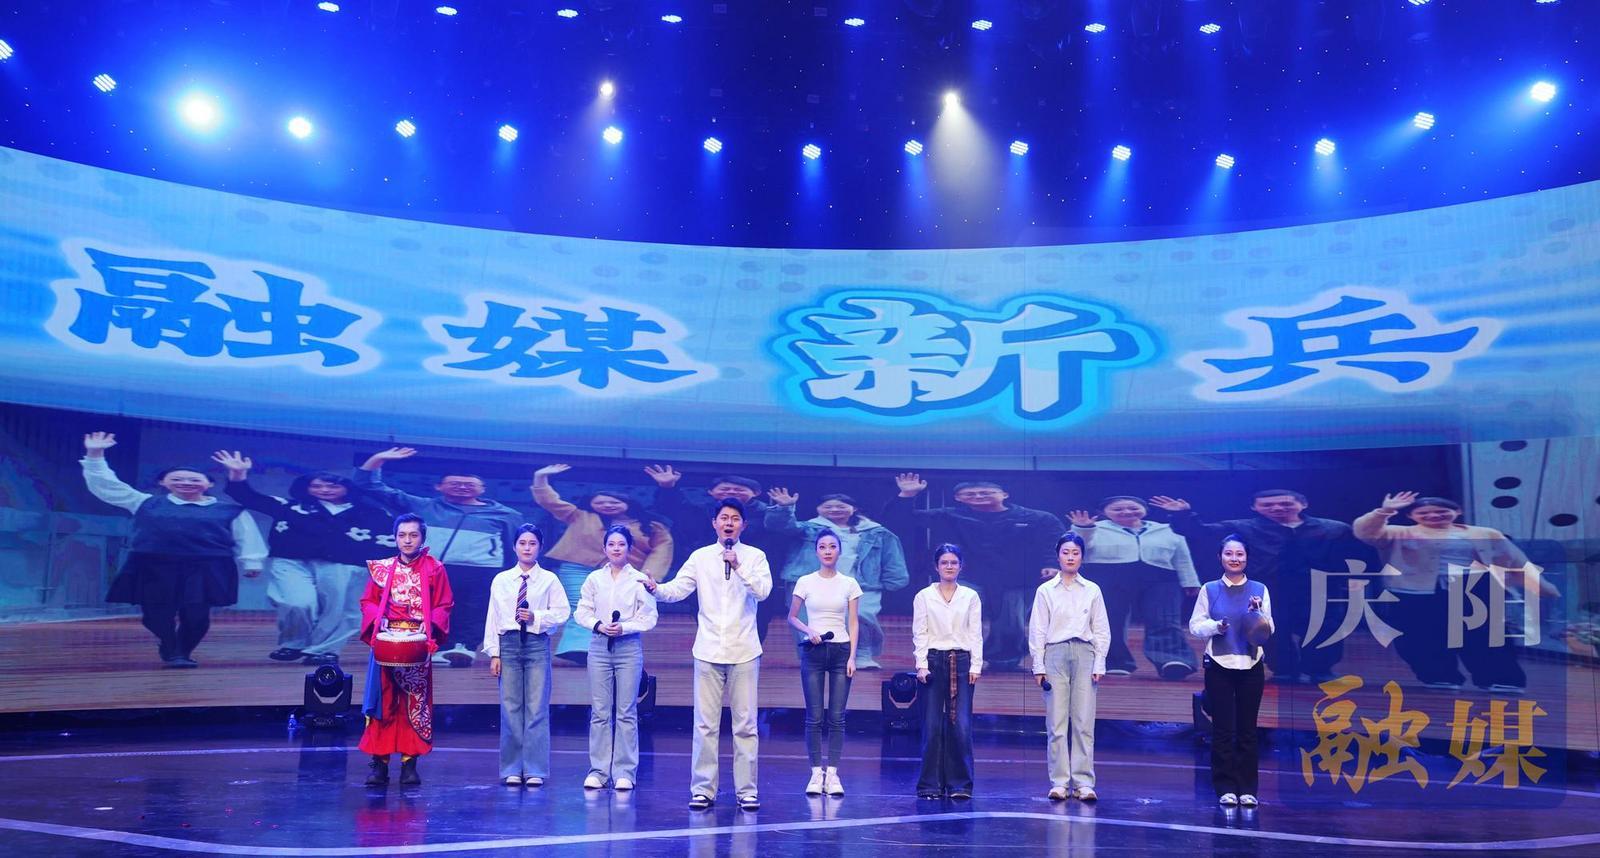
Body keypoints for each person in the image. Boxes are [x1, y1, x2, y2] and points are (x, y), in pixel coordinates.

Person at [80, 432, 266, 668]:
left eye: (194, 479)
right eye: (177, 479)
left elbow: (247, 536)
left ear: (209, 484)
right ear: (163, 482)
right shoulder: (144, 502)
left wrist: (252, 562)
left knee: (197, 614)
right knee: (155, 614)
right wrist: (95, 454)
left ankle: (182, 653)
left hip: (207, 566)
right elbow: (106, 485)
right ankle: (168, 644)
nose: (186, 482)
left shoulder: (230, 510)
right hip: (153, 565)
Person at [1151, 489, 1374, 684]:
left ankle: (1320, 670)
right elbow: (1200, 532)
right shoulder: (1242, 527)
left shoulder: (1334, 528)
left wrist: (1355, 579)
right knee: (1272, 630)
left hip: (1320, 588)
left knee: (1325, 627)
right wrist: (1183, 514)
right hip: (1269, 587)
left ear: (1303, 504)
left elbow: (1354, 554)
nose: (1277, 508)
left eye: (1285, 504)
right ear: (1254, 507)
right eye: (1267, 505)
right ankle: (1283, 671)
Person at [642, 499, 772, 811]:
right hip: (708, 649)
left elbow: (763, 592)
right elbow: (678, 590)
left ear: (743, 525)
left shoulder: (755, 556)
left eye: (735, 518)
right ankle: (703, 790)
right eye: (724, 518)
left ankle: (747, 791)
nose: (729, 523)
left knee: (745, 725)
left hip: (744, 650)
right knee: (705, 725)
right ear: (714, 523)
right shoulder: (700, 557)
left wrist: (738, 566)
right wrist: (655, 589)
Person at [1353, 492, 1553, 693]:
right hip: (1413, 590)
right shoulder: (1398, 532)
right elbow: (1364, 532)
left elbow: (1514, 559)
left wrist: (1539, 585)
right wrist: (1385, 510)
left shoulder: (1484, 533)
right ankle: (1439, 676)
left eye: (1441, 511)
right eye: (1424, 513)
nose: (1433, 516)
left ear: (1457, 512)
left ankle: (1500, 678)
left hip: (1474, 586)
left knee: (1485, 634)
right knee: (1420, 636)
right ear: (1411, 516)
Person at [211, 451, 395, 666]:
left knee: (339, 609)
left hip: (345, 564)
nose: (324, 490)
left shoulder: (372, 513)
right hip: (291, 562)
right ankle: (294, 643)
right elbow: (249, 497)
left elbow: (390, 541)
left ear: (348, 488)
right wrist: (237, 473)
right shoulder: (288, 506)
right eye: (316, 486)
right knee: (296, 603)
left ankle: (325, 650)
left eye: (332, 486)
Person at [355, 447, 523, 668]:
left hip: (483, 570)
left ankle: (463, 647)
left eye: (469, 484)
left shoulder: (507, 515)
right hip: (432, 567)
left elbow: (515, 546)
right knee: (430, 608)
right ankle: (437, 648)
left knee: (475, 610)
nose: (462, 487)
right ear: (439, 486)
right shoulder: (423, 506)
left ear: (482, 488)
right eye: (454, 483)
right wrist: (378, 458)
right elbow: (370, 486)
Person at [887, 474, 1063, 671]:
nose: (978, 496)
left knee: (1010, 624)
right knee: (956, 613)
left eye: (985, 492)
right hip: (968, 577)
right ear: (958, 498)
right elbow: (900, 521)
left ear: (1004, 494)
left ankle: (1003, 662)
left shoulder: (1037, 518)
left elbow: (1054, 541)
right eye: (970, 494)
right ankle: (953, 657)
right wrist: (907, 495)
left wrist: (1051, 564)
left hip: (1016, 579)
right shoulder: (947, 516)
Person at [531, 464, 672, 665]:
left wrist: (650, 576)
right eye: (599, 502)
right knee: (580, 604)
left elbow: (662, 550)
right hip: (577, 566)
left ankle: (608, 649)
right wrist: (540, 477)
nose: (607, 505)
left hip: (624, 572)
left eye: (613, 502)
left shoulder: (651, 526)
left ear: (627, 503)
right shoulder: (580, 515)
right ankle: (578, 648)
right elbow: (550, 501)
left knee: (616, 608)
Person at [643, 464, 794, 643]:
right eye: (725, 489)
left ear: (755, 493)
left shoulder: (768, 514)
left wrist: (784, 508)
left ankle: (751, 656)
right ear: (711, 492)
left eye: (739, 489)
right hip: (709, 579)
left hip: (751, 578)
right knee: (709, 625)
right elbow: (677, 512)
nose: (731, 492)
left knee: (756, 626)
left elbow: (783, 526)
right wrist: (668, 489)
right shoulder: (702, 512)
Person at [360, 513, 454, 787]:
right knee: (383, 703)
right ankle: (379, 764)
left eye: (413, 535)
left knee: (414, 704)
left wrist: (429, 627)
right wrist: (378, 620)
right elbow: (368, 601)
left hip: (417, 643)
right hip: (386, 642)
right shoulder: (382, 568)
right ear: (395, 538)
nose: (407, 540)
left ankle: (409, 764)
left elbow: (444, 604)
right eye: (402, 535)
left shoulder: (435, 569)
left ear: (422, 538)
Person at [766, 489, 908, 670]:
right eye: (828, 507)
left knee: (862, 616)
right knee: (807, 619)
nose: (834, 509)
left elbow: (891, 554)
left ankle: (861, 653)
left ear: (854, 509)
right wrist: (785, 508)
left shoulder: (876, 531)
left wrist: (895, 578)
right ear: (818, 510)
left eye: (840, 506)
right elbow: (780, 526)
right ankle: (812, 655)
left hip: (861, 583)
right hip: (813, 581)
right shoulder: (808, 528)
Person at [1061, 497, 1198, 680]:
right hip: (1108, 576)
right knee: (1110, 620)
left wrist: (1190, 581)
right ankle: (1114, 661)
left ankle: (1173, 660)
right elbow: (1076, 550)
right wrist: (1082, 528)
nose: (1126, 512)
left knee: (1164, 618)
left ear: (1144, 510)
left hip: (1160, 577)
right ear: (1104, 513)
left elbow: (1182, 557)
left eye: (1133, 508)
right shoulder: (1093, 528)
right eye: (1118, 509)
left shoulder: (1166, 529)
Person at [1189, 535, 1273, 808]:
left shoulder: (1259, 589)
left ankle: (1248, 789)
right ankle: (1225, 788)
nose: (1234, 559)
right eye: (1229, 554)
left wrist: (1257, 615)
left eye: (1239, 554)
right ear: (1220, 557)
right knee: (1223, 729)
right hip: (1219, 664)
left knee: (1248, 729)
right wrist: (1216, 626)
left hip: (1251, 665)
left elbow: (1270, 628)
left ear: (1246, 558)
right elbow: (1195, 625)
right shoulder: (1210, 589)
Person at [573, 525, 659, 791]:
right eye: (611, 544)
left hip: (628, 646)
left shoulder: (639, 580)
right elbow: (581, 612)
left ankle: (625, 772)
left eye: (621, 544)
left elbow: (649, 617)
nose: (616, 549)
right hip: (599, 646)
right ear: (604, 548)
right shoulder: (594, 579)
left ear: (629, 549)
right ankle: (598, 771)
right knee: (600, 711)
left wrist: (625, 627)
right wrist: (598, 625)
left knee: (626, 711)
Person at [483, 524, 569, 787]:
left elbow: (563, 612)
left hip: (536, 643)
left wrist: (536, 617)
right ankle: (512, 768)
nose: (527, 548)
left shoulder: (549, 579)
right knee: (510, 708)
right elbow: (493, 617)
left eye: (532, 543)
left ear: (540, 547)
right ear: (514, 547)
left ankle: (534, 769)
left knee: (536, 707)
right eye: (522, 543)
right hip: (508, 644)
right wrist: (494, 653)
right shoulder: (502, 580)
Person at [1030, 533, 1110, 802]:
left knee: (1083, 721)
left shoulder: (1092, 589)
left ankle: (1084, 782)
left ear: (1082, 557)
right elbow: (1038, 630)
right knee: (1056, 722)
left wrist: (1100, 661)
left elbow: (1101, 629)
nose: (1071, 557)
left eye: (1076, 553)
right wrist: (1038, 665)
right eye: (1066, 552)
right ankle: (1060, 782)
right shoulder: (1046, 591)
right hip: (1055, 654)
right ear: (1058, 556)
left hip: (1085, 653)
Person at [787, 528, 862, 796]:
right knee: (815, 716)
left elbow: (853, 623)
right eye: (822, 547)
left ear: (839, 551)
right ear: (816, 551)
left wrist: (852, 656)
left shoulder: (849, 584)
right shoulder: (805, 582)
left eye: (832, 546)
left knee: (837, 717)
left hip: (841, 651)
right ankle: (815, 773)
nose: (827, 551)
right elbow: (792, 617)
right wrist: (809, 630)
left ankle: (833, 774)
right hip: (814, 652)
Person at [912, 543, 983, 800]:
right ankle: (930, 784)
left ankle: (960, 784)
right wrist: (921, 664)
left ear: (961, 566)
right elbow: (920, 632)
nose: (949, 567)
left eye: (954, 562)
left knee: (960, 725)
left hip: (961, 662)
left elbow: (975, 633)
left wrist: (976, 665)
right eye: (944, 562)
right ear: (936, 566)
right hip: (933, 661)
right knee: (931, 727)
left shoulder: (970, 596)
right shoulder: (924, 596)